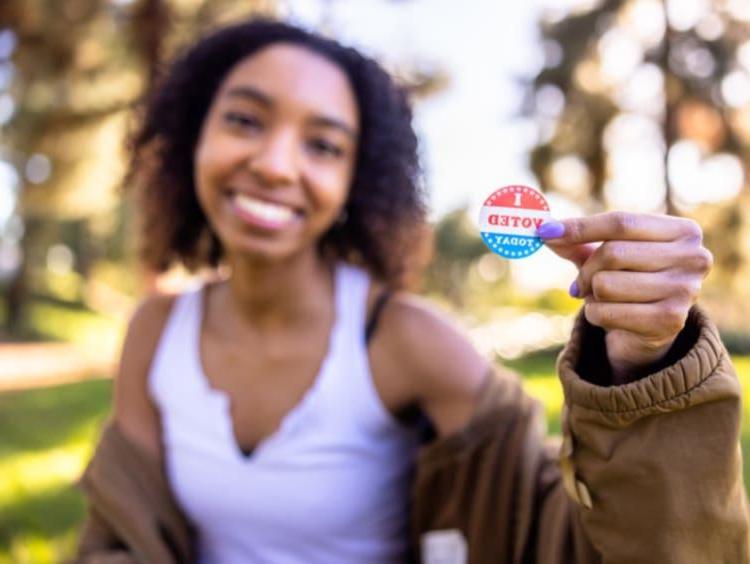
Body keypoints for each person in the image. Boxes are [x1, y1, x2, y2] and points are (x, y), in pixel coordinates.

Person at [73, 17, 749, 564]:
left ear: (355, 184)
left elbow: (566, 537)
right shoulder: (155, 331)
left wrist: (642, 368)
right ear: (194, 137)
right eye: (245, 121)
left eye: (324, 146)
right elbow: (127, 530)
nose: (276, 164)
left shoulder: (406, 341)